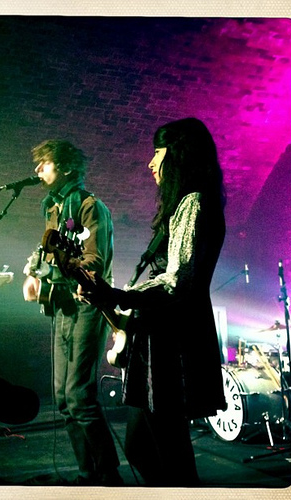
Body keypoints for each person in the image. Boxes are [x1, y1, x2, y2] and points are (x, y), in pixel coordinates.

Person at [78, 118, 227, 487]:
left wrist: (118, 295)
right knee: (144, 446)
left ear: (177, 154)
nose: (150, 162)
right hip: (162, 335)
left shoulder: (194, 202)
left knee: (166, 452)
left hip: (172, 342)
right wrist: (115, 298)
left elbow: (177, 282)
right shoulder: (186, 205)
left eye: (157, 152)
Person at [22, 139, 122, 486]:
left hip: (88, 307)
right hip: (62, 305)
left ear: (66, 167)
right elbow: (49, 251)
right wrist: (34, 272)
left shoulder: (91, 207)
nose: (38, 169)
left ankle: (109, 474)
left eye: (45, 162)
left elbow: (94, 260)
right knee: (63, 400)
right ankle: (86, 473)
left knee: (80, 397)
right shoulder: (54, 207)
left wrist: (65, 272)